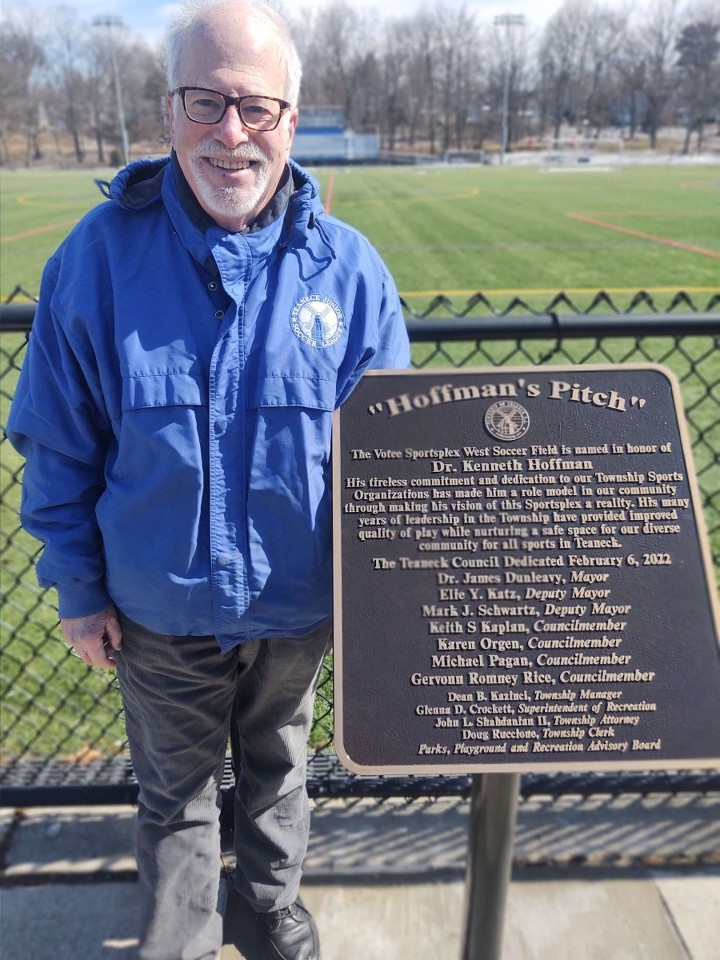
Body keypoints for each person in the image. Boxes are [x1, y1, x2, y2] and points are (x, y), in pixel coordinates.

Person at [6, 1, 410, 957]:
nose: (231, 133)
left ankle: (267, 907)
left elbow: (392, 465)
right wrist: (78, 589)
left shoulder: (349, 272)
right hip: (159, 608)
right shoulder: (96, 261)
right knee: (176, 794)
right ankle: (180, 938)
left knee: (279, 770)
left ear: (290, 121)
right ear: (169, 111)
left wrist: (381, 603)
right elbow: (60, 444)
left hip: (299, 608)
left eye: (256, 107)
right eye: (206, 101)